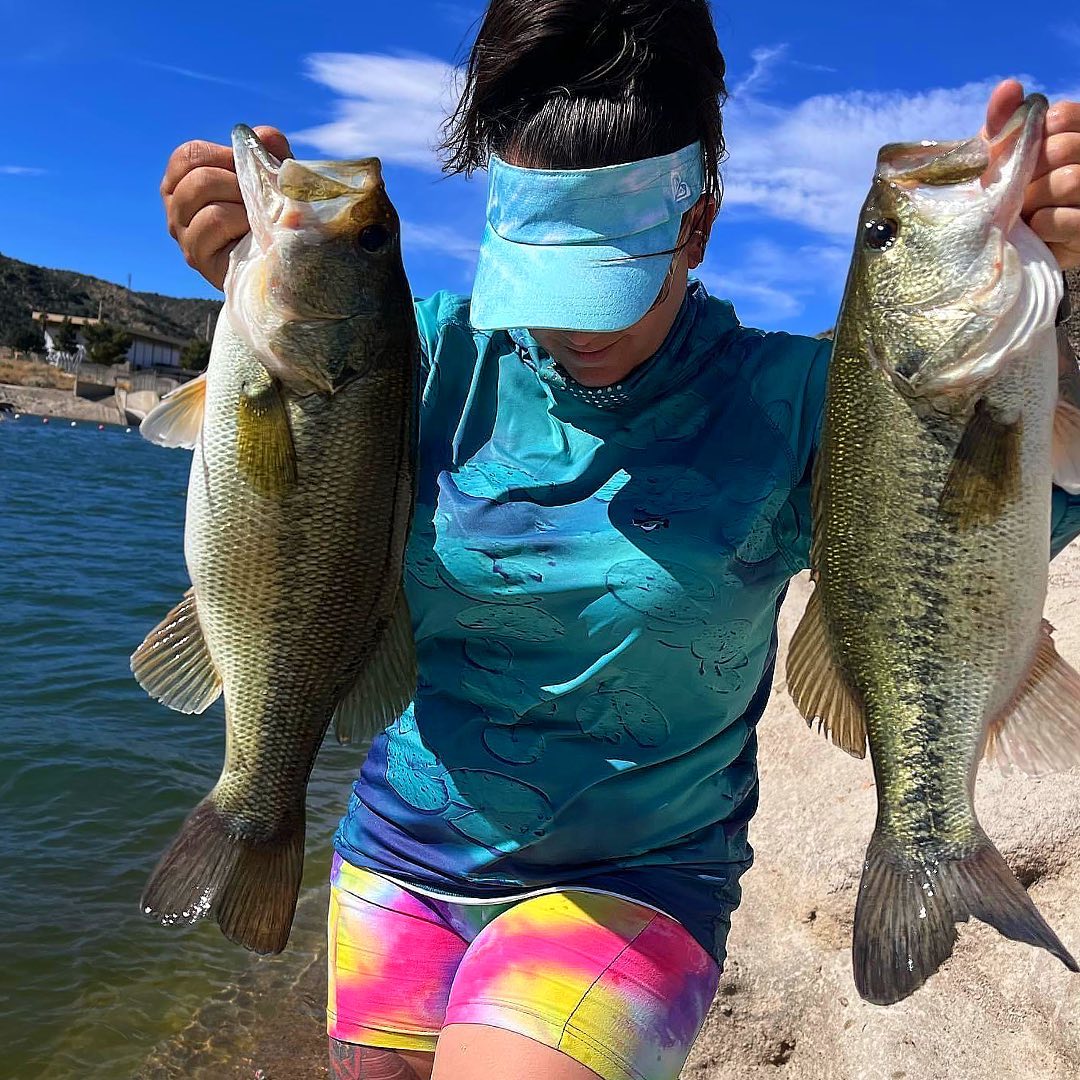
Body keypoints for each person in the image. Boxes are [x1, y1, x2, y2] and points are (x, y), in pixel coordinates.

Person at [160, 2, 1080, 1078]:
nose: (574, 324)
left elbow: (1003, 504)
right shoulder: (409, 363)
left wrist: (1070, 305)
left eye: (610, 275)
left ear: (697, 224)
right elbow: (285, 496)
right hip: (401, 857)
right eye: (543, 275)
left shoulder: (799, 404)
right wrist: (245, 269)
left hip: (639, 883)